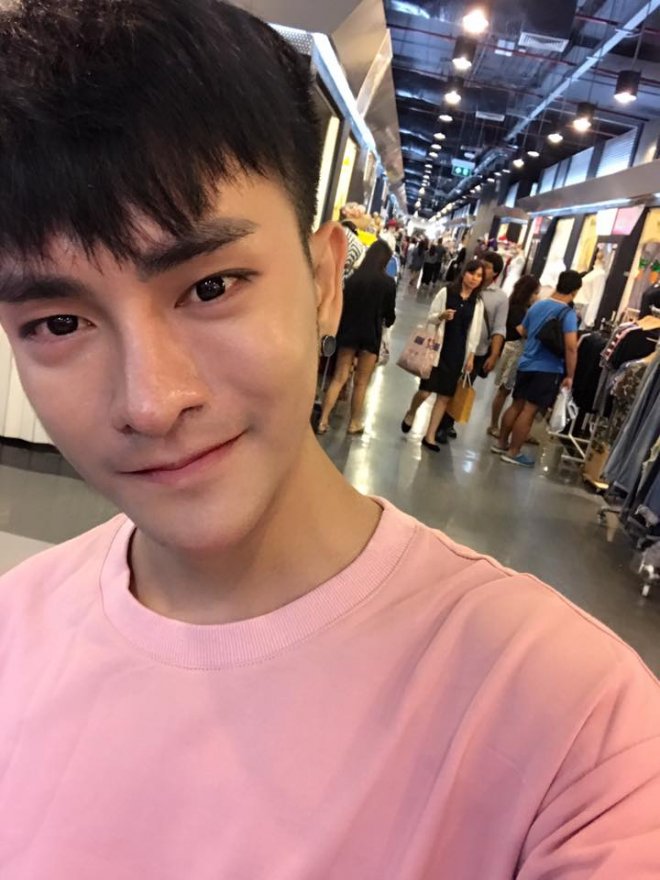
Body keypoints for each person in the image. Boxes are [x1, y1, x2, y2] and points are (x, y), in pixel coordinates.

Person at [0, 4, 658, 877]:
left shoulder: (571, 728)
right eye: (58, 323)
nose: (150, 403)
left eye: (211, 287)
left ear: (322, 279)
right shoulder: (15, 632)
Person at [496, 270, 581, 467]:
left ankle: (501, 443)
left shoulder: (538, 305)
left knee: (516, 405)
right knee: (529, 411)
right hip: (548, 368)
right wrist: (570, 375)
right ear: (575, 291)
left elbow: (522, 330)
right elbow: (571, 347)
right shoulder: (567, 314)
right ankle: (514, 451)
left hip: (526, 362)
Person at [401, 259, 485, 452]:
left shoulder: (477, 303)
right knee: (425, 391)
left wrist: (471, 356)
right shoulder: (447, 292)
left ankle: (429, 436)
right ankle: (411, 412)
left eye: (479, 276)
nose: (474, 278)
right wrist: (442, 316)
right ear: (464, 273)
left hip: (457, 353)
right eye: (472, 273)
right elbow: (430, 317)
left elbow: (475, 331)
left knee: (445, 397)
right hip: (436, 349)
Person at [318, 239, 396, 435]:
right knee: (361, 382)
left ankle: (323, 419)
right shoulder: (388, 283)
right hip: (370, 335)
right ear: (385, 260)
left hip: (348, 332)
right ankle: (354, 423)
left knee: (339, 378)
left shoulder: (353, 279)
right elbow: (390, 316)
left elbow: (343, 305)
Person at [437, 250, 507, 443]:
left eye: (487, 267)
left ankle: (445, 425)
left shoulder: (500, 298)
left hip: (477, 351)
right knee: (444, 385)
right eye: (480, 265)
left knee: (462, 386)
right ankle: (439, 422)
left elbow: (499, 327)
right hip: (452, 344)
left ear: (496, 273)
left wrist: (494, 354)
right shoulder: (462, 286)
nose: (481, 270)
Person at [488, 274, 541, 438]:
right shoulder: (517, 309)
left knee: (511, 392)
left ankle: (504, 426)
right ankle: (493, 424)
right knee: (504, 390)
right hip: (513, 350)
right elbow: (522, 331)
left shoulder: (522, 308)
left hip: (519, 351)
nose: (536, 297)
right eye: (535, 293)